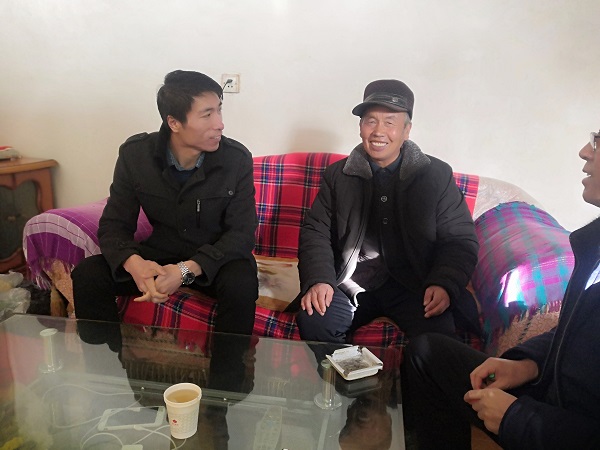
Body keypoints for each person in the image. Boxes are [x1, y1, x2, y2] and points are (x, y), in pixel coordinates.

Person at [403, 131, 600, 449]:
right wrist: (526, 364)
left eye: (598, 141)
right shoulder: (594, 246)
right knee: (426, 353)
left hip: (560, 426)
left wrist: (517, 419)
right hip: (551, 392)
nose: (584, 151)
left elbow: (457, 242)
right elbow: (574, 331)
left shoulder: (436, 176)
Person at [288, 79, 480, 343]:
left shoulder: (435, 176)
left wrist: (443, 283)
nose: (379, 131)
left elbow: (459, 238)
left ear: (406, 130)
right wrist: (319, 279)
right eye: (371, 121)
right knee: (315, 321)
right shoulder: (338, 176)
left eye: (390, 122)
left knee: (436, 338)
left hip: (413, 284)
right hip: (349, 283)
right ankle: (348, 372)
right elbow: (315, 232)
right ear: (360, 127)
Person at [72, 70, 258, 335]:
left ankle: (230, 364)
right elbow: (114, 226)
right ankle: (103, 360)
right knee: (88, 274)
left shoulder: (236, 159)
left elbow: (242, 233)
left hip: (215, 261)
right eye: (207, 115)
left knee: (241, 284)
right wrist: (134, 264)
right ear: (174, 122)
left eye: (219, 110)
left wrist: (184, 271)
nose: (220, 124)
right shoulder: (136, 155)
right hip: (161, 254)